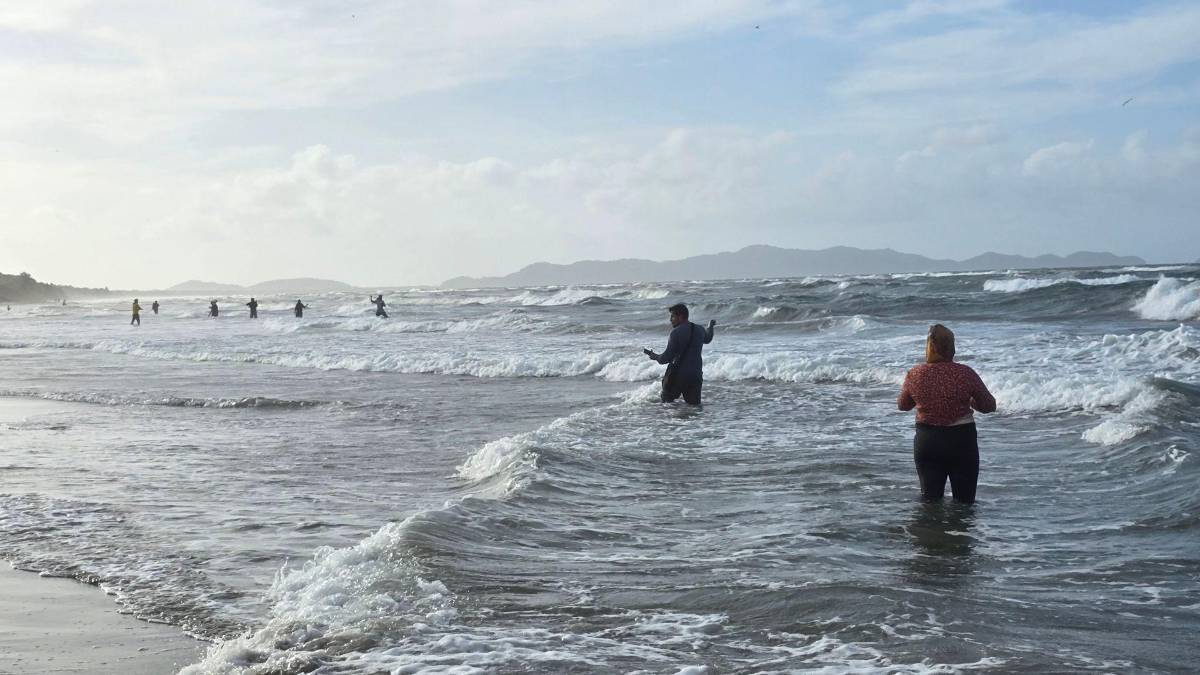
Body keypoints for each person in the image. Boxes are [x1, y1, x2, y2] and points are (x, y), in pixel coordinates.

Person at [897, 324, 996, 504]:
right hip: (961, 441)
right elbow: (989, 405)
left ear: (930, 347)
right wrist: (970, 401)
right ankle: (960, 532)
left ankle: (933, 532)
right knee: (965, 504)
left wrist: (923, 398)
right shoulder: (965, 373)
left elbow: (903, 405)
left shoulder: (915, 374)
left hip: (928, 441)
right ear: (951, 347)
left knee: (930, 503)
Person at [643, 303, 715, 404]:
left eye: (672, 316)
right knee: (694, 407)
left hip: (678, 376)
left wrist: (655, 356)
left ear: (680, 317)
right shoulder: (699, 329)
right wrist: (711, 326)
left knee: (667, 404)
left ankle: (669, 420)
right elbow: (708, 338)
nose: (670, 320)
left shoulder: (676, 333)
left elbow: (666, 358)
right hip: (696, 375)